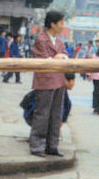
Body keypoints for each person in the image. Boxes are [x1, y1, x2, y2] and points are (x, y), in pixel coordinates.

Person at [29, 11, 69, 158]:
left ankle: (52, 145)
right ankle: (37, 146)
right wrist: (57, 58)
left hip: (59, 81)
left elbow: (64, 55)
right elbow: (44, 59)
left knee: (56, 115)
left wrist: (58, 57)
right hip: (45, 80)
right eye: (61, 23)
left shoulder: (59, 41)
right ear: (52, 24)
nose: (63, 26)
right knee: (42, 114)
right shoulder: (41, 40)